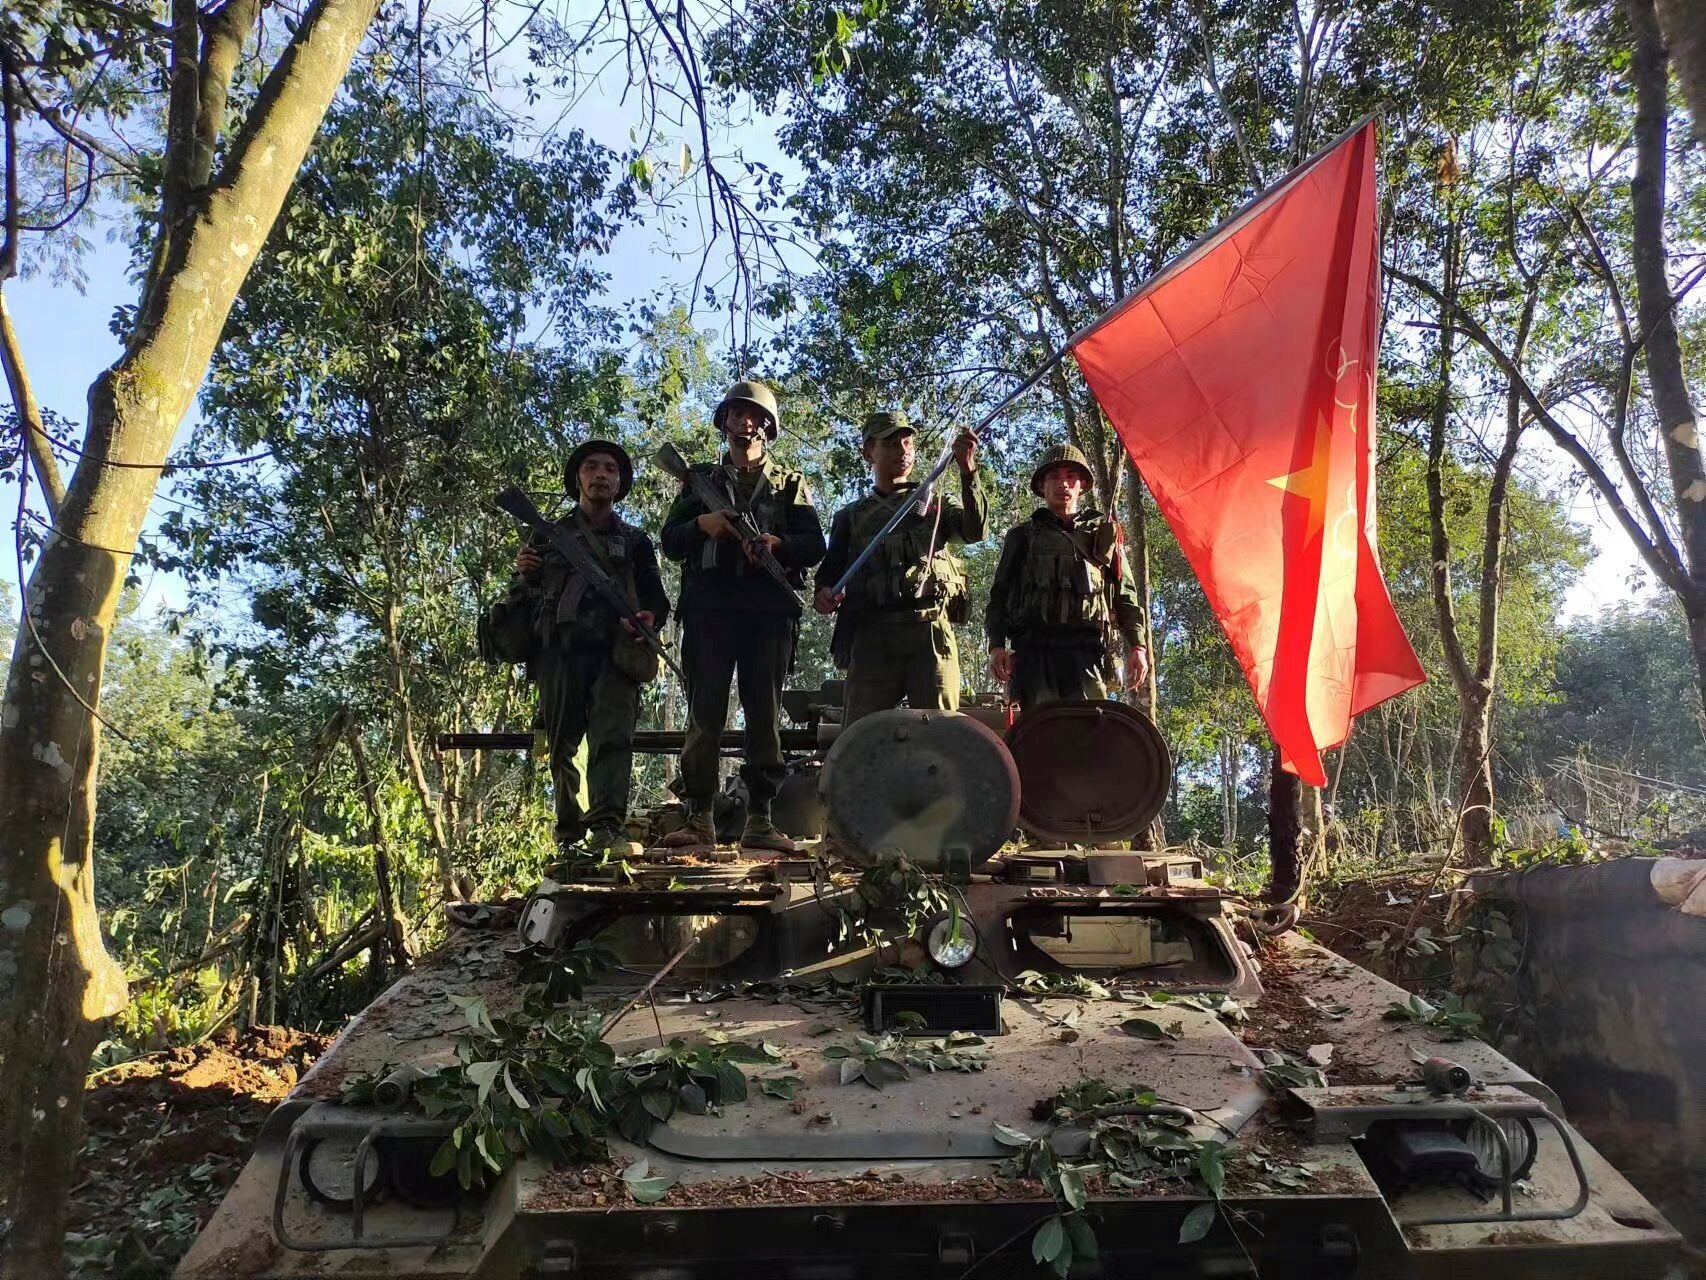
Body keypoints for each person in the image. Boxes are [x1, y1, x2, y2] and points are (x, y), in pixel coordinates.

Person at [659, 381, 825, 854]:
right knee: (703, 714)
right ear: (725, 422)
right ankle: (699, 818)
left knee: (764, 717)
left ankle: (759, 817)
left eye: (753, 416)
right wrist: (701, 525)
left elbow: (814, 546)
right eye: (736, 414)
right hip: (710, 612)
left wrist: (777, 546)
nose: (744, 422)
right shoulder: (700, 483)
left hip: (768, 615)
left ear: (767, 427)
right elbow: (670, 541)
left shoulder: (790, 485)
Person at [502, 440, 670, 858]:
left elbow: (657, 600)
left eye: (610, 469)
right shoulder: (545, 534)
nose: (601, 475)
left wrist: (646, 619)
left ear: (619, 482)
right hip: (559, 654)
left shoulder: (634, 542)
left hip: (615, 656)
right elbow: (524, 598)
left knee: (613, 740)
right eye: (592, 467)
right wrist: (525, 574)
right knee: (564, 747)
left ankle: (606, 830)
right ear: (577, 477)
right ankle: (570, 837)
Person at [814, 411, 985, 725]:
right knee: (862, 736)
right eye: (891, 443)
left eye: (907, 442)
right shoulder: (851, 516)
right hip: (873, 637)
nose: (903, 450)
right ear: (869, 452)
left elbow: (974, 532)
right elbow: (829, 574)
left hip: (930, 632)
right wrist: (823, 594)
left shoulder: (937, 504)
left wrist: (968, 471)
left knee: (942, 732)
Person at [986, 443, 1149, 709]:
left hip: (1087, 652)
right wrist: (996, 646)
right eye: (1054, 476)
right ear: (1041, 485)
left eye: (1071, 476)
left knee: (1090, 733)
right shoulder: (1023, 536)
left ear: (1082, 484)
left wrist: (1137, 647)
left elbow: (1125, 594)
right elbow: (999, 596)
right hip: (1034, 652)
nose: (1063, 484)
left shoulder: (1103, 536)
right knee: (1040, 733)